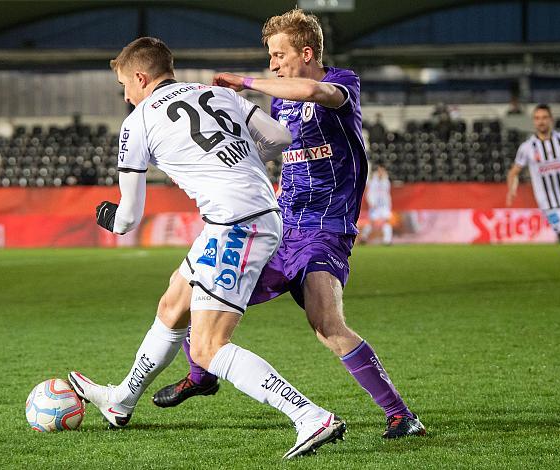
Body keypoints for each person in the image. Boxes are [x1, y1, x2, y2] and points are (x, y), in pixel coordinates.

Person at [153, 8, 426, 439]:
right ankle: (202, 374)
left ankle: (401, 415)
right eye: (270, 57)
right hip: (281, 227)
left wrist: (242, 82)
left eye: (278, 56)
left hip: (325, 229)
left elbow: (313, 90)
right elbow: (267, 149)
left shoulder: (342, 84)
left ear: (306, 51)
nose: (273, 64)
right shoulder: (281, 102)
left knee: (325, 323)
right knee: (197, 291)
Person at [68, 37, 346, 459]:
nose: (125, 95)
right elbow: (280, 136)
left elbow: (127, 220)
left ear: (141, 77)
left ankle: (310, 416)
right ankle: (122, 400)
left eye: (125, 84)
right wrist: (236, 160)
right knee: (172, 303)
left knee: (206, 347)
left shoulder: (138, 120)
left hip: (238, 224)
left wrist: (103, 213)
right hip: (250, 213)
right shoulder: (215, 92)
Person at [507, 104, 560, 277]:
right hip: (551, 206)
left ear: (551, 119)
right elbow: (514, 171)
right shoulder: (527, 148)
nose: (541, 121)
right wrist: (511, 190)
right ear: (533, 122)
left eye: (544, 117)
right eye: (537, 118)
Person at [361, 165, 393, 245]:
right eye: (379, 170)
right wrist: (371, 203)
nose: (381, 172)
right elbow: (369, 194)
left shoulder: (386, 181)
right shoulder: (372, 181)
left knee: (386, 222)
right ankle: (363, 237)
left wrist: (389, 205)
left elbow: (387, 194)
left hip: (384, 206)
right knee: (372, 223)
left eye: (382, 170)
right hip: (375, 206)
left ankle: (387, 240)